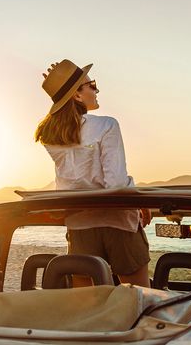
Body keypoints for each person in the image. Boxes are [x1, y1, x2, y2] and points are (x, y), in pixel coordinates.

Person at [34, 59, 150, 287]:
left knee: (87, 305)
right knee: (138, 301)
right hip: (119, 225)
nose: (96, 90)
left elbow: (75, 182)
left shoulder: (52, 138)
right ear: (77, 95)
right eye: (92, 84)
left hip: (80, 227)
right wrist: (139, 201)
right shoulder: (107, 125)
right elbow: (115, 183)